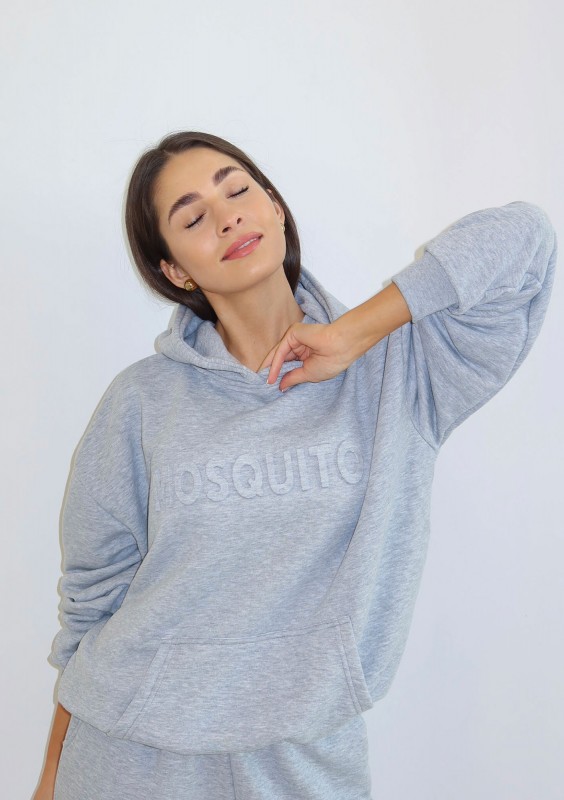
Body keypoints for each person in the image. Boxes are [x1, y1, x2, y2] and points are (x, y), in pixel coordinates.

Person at [33, 131, 557, 800]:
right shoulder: (141, 402)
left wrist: (353, 333)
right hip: (132, 759)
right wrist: (50, 778)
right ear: (176, 272)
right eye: (193, 219)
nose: (227, 218)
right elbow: (91, 606)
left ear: (275, 208)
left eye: (237, 190)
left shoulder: (401, 370)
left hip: (306, 762)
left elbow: (525, 239)